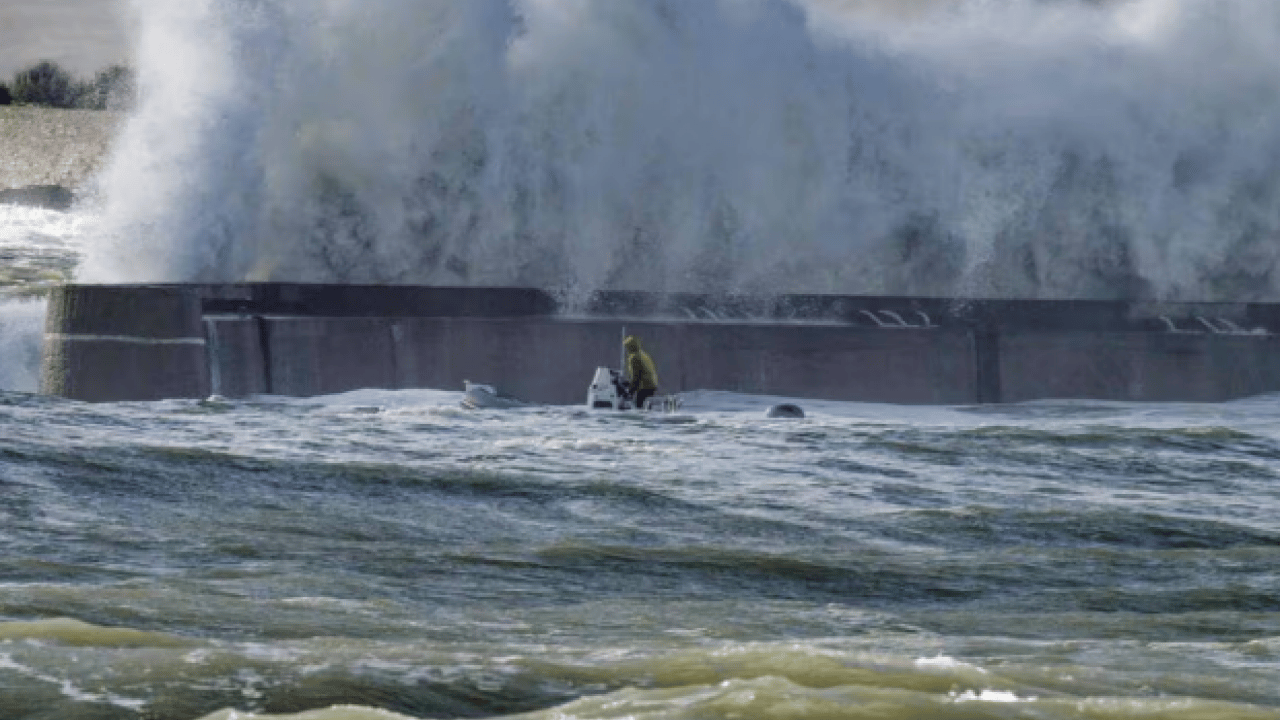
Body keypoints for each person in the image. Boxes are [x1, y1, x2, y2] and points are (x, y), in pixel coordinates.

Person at [623, 335, 659, 409]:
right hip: (652, 384)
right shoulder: (643, 354)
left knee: (638, 407)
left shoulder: (634, 357)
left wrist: (630, 391)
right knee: (644, 406)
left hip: (644, 386)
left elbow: (637, 376)